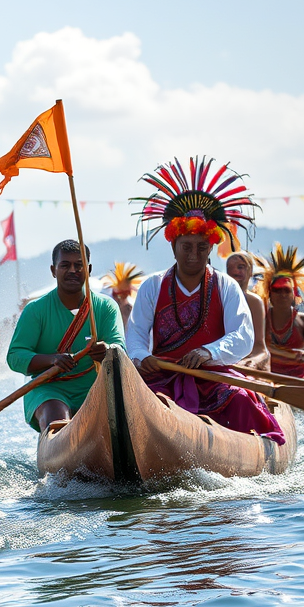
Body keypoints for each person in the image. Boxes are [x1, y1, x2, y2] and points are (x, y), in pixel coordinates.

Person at [127, 156, 284, 443]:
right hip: (162, 377)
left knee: (241, 400)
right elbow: (135, 335)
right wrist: (141, 357)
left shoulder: (226, 286)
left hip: (214, 378)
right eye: (186, 246)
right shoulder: (152, 285)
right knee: (134, 404)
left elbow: (243, 335)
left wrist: (207, 353)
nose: (193, 254)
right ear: (173, 245)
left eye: (201, 247)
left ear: (211, 247)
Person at [7, 241, 126, 432]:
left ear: (89, 269)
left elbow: (120, 348)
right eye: (65, 265)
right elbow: (15, 356)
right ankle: (58, 441)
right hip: (49, 388)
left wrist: (107, 350)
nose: (73, 270)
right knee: (57, 416)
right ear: (54, 270)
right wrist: (52, 359)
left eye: (79, 265)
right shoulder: (35, 310)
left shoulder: (106, 307)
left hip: (95, 388)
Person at [258, 244, 304, 378]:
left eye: (286, 290)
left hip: (299, 379)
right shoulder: (260, 320)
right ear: (269, 294)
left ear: (294, 294)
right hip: (268, 378)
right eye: (277, 290)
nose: (282, 294)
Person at [223, 251, 270, 370]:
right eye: (230, 268)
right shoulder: (219, 298)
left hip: (246, 366)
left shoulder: (255, 302)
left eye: (240, 267)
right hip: (224, 362)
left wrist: (253, 361)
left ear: (250, 272)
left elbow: (261, 349)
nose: (234, 271)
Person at [102, 262, 145, 331]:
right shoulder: (106, 310)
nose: (119, 299)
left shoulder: (131, 310)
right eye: (118, 296)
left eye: (124, 296)